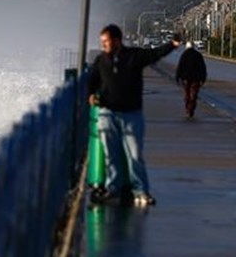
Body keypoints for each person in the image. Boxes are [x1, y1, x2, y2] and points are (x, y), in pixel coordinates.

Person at [88, 24, 179, 206]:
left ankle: (140, 191)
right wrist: (90, 95)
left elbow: (155, 54)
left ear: (117, 40)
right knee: (110, 155)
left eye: (106, 41)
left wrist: (173, 44)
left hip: (131, 114)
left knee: (135, 154)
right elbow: (91, 80)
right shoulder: (101, 60)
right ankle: (112, 189)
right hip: (107, 114)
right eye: (102, 42)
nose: (104, 44)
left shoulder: (133, 57)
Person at [175, 41, 207, 119]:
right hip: (196, 79)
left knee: (187, 94)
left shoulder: (184, 55)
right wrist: (203, 79)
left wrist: (177, 77)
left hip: (185, 78)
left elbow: (180, 66)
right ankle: (191, 110)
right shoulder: (198, 55)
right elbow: (202, 68)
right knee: (193, 95)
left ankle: (187, 109)